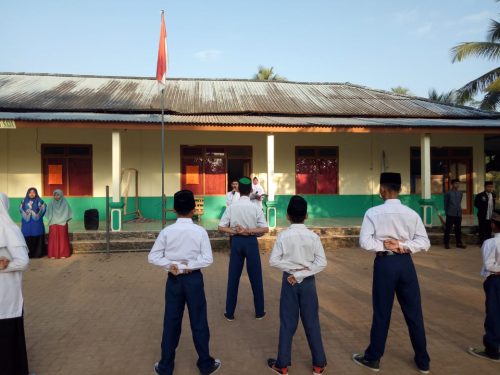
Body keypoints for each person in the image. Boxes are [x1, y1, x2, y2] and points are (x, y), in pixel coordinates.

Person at [352, 172, 431, 374]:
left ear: (382, 190)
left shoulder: (372, 212)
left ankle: (373, 358)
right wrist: (402, 245)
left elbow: (364, 241)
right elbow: (424, 242)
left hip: (384, 264)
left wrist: (385, 245)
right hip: (406, 264)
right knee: (414, 312)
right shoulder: (411, 213)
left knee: (382, 313)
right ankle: (423, 361)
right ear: (400, 189)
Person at [148, 190, 221, 375]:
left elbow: (153, 257)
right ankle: (205, 364)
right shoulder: (200, 231)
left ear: (174, 210)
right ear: (194, 209)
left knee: (171, 322)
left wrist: (171, 265)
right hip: (194, 279)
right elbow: (208, 259)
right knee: (199, 321)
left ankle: (165, 366)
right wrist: (190, 266)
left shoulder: (167, 231)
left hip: (174, 281)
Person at [267, 195, 328, 375]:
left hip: (289, 282)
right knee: (312, 322)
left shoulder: (283, 236)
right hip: (308, 283)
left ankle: (282, 365)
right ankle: (318, 364)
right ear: (306, 215)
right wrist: (302, 272)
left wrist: (293, 272)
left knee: (287, 323)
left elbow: (274, 261)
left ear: (287, 216)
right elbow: (322, 262)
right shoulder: (313, 237)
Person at [218, 176, 269, 321]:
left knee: (233, 277)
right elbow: (265, 229)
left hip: (236, 243)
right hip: (251, 243)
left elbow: (221, 227)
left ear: (238, 189)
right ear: (251, 190)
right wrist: (248, 231)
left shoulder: (232, 207)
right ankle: (259, 312)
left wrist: (236, 231)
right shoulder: (255, 208)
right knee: (256, 278)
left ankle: (229, 312)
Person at [0, 192, 32, 375]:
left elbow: (23, 261)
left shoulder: (9, 230)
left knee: (8, 339)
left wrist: (4, 266)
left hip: (6, 295)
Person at [467, 210, 500, 363]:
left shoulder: (491, 243)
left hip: (495, 281)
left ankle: (493, 350)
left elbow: (489, 265)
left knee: (493, 314)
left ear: (493, 225)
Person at [19, 187, 47, 258]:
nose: (32, 194)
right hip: (27, 224)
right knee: (27, 237)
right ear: (28, 193)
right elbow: (21, 209)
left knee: (37, 235)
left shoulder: (40, 201)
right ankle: (28, 254)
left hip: (36, 224)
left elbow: (43, 209)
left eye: (33, 192)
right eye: (30, 192)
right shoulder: (24, 201)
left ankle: (38, 254)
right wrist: (27, 212)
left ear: (36, 193)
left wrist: (36, 213)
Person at [46, 189, 72, 259]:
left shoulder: (65, 203)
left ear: (61, 195)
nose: (56, 196)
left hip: (62, 223)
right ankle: (52, 254)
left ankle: (63, 253)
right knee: (53, 239)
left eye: (58, 195)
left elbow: (68, 214)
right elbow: (48, 213)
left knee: (63, 238)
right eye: (55, 195)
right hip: (53, 223)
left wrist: (63, 220)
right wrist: (53, 219)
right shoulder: (51, 203)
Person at [443, 179, 466, 249]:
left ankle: (459, 243)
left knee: (458, 229)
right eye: (456, 183)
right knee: (448, 229)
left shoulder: (460, 193)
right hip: (450, 213)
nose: (457, 185)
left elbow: (459, 202)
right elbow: (446, 203)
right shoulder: (448, 193)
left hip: (458, 214)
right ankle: (446, 243)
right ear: (452, 184)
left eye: (458, 183)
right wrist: (447, 212)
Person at [475, 181, 496, 245]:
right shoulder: (480, 195)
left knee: (489, 230)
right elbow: (476, 204)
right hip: (482, 216)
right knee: (482, 230)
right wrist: (483, 209)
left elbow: (493, 205)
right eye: (488, 187)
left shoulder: (493, 195)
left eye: (491, 187)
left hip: (490, 216)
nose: (490, 188)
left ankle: (488, 244)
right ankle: (482, 243)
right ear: (485, 187)